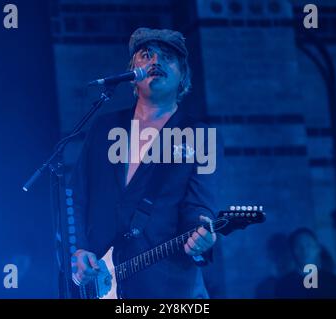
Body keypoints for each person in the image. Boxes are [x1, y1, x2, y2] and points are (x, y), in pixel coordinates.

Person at [69, 27, 223, 298]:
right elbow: (77, 194)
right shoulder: (105, 128)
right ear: (133, 71)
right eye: (147, 55)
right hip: (102, 282)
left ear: (183, 75)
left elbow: (200, 206)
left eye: (167, 57)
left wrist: (202, 235)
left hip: (169, 286)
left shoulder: (200, 137)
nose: (156, 62)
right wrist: (78, 249)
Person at [274, 227, 336, 298]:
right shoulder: (284, 285)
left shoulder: (332, 281)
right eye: (299, 246)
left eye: (308, 245)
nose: (304, 250)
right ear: (292, 251)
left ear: (317, 249)